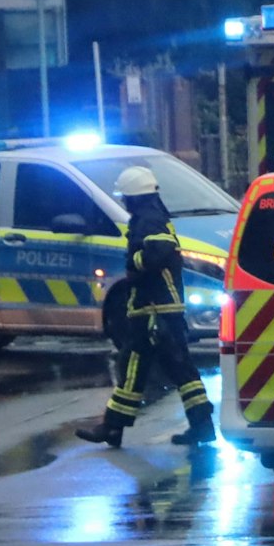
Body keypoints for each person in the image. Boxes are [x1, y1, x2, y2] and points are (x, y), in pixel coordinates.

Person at [76, 165, 216, 448]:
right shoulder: (153, 216)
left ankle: (113, 428)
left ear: (132, 196)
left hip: (154, 310)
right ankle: (200, 425)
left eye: (124, 196)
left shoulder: (148, 220)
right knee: (170, 368)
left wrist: (133, 265)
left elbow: (159, 253)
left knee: (138, 365)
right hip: (158, 309)